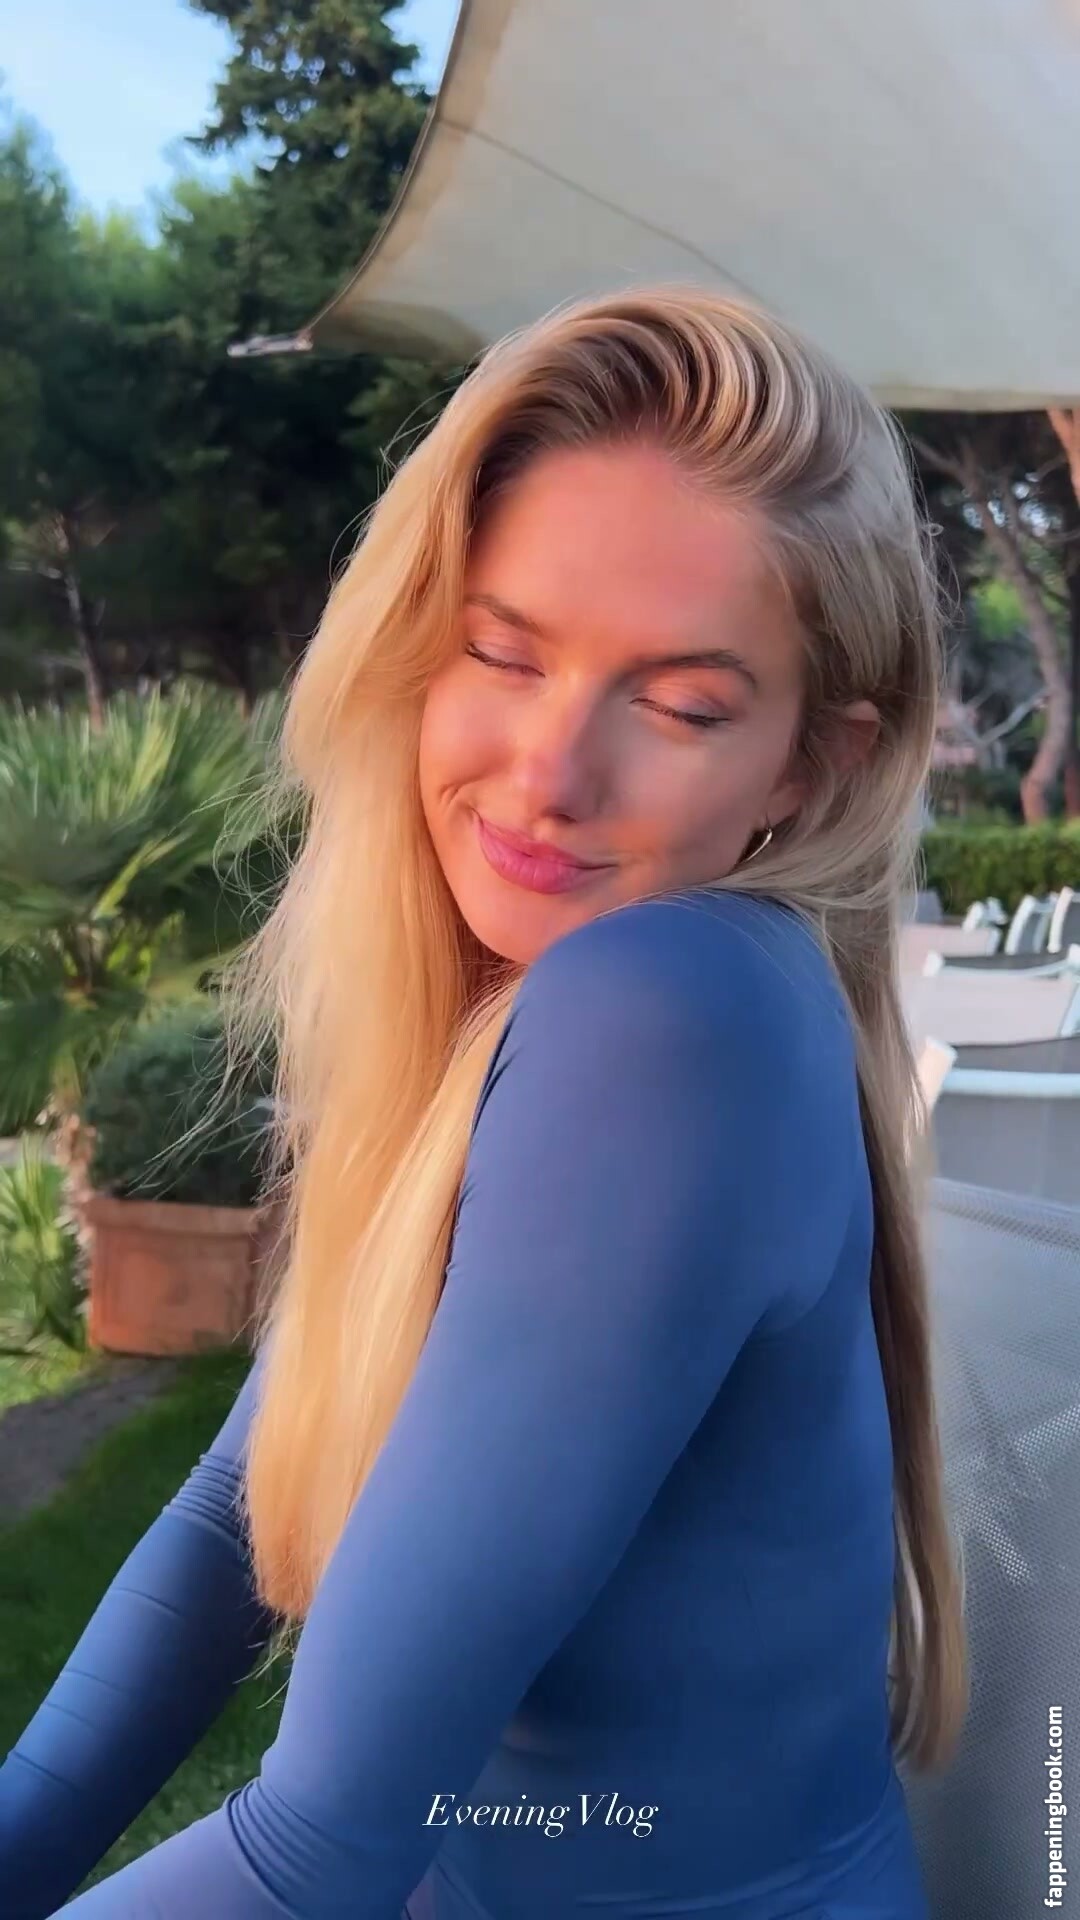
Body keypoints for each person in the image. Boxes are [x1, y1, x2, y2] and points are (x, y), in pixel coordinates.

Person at [0, 287, 967, 1918]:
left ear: (812, 765)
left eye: (679, 705)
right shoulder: (515, 1007)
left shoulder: (666, 1016)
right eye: (500, 653)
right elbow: (235, 1514)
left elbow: (320, 1848)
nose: (545, 772)